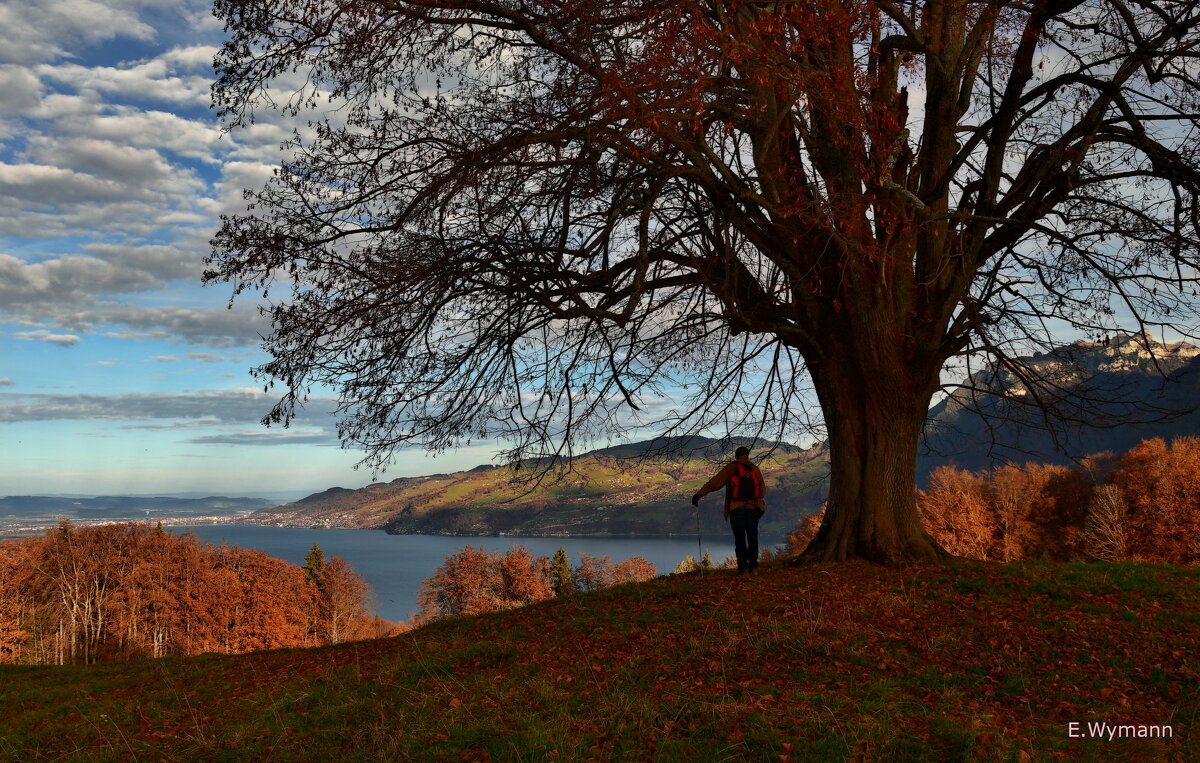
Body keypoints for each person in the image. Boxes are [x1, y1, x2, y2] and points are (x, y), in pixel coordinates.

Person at [692, 446, 767, 574]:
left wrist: (698, 495)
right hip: (752, 509)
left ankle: (742, 568)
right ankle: (754, 567)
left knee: (740, 539)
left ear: (736, 456)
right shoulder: (754, 468)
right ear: (748, 456)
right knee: (752, 538)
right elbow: (762, 492)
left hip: (736, 509)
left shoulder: (731, 468)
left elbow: (714, 483)